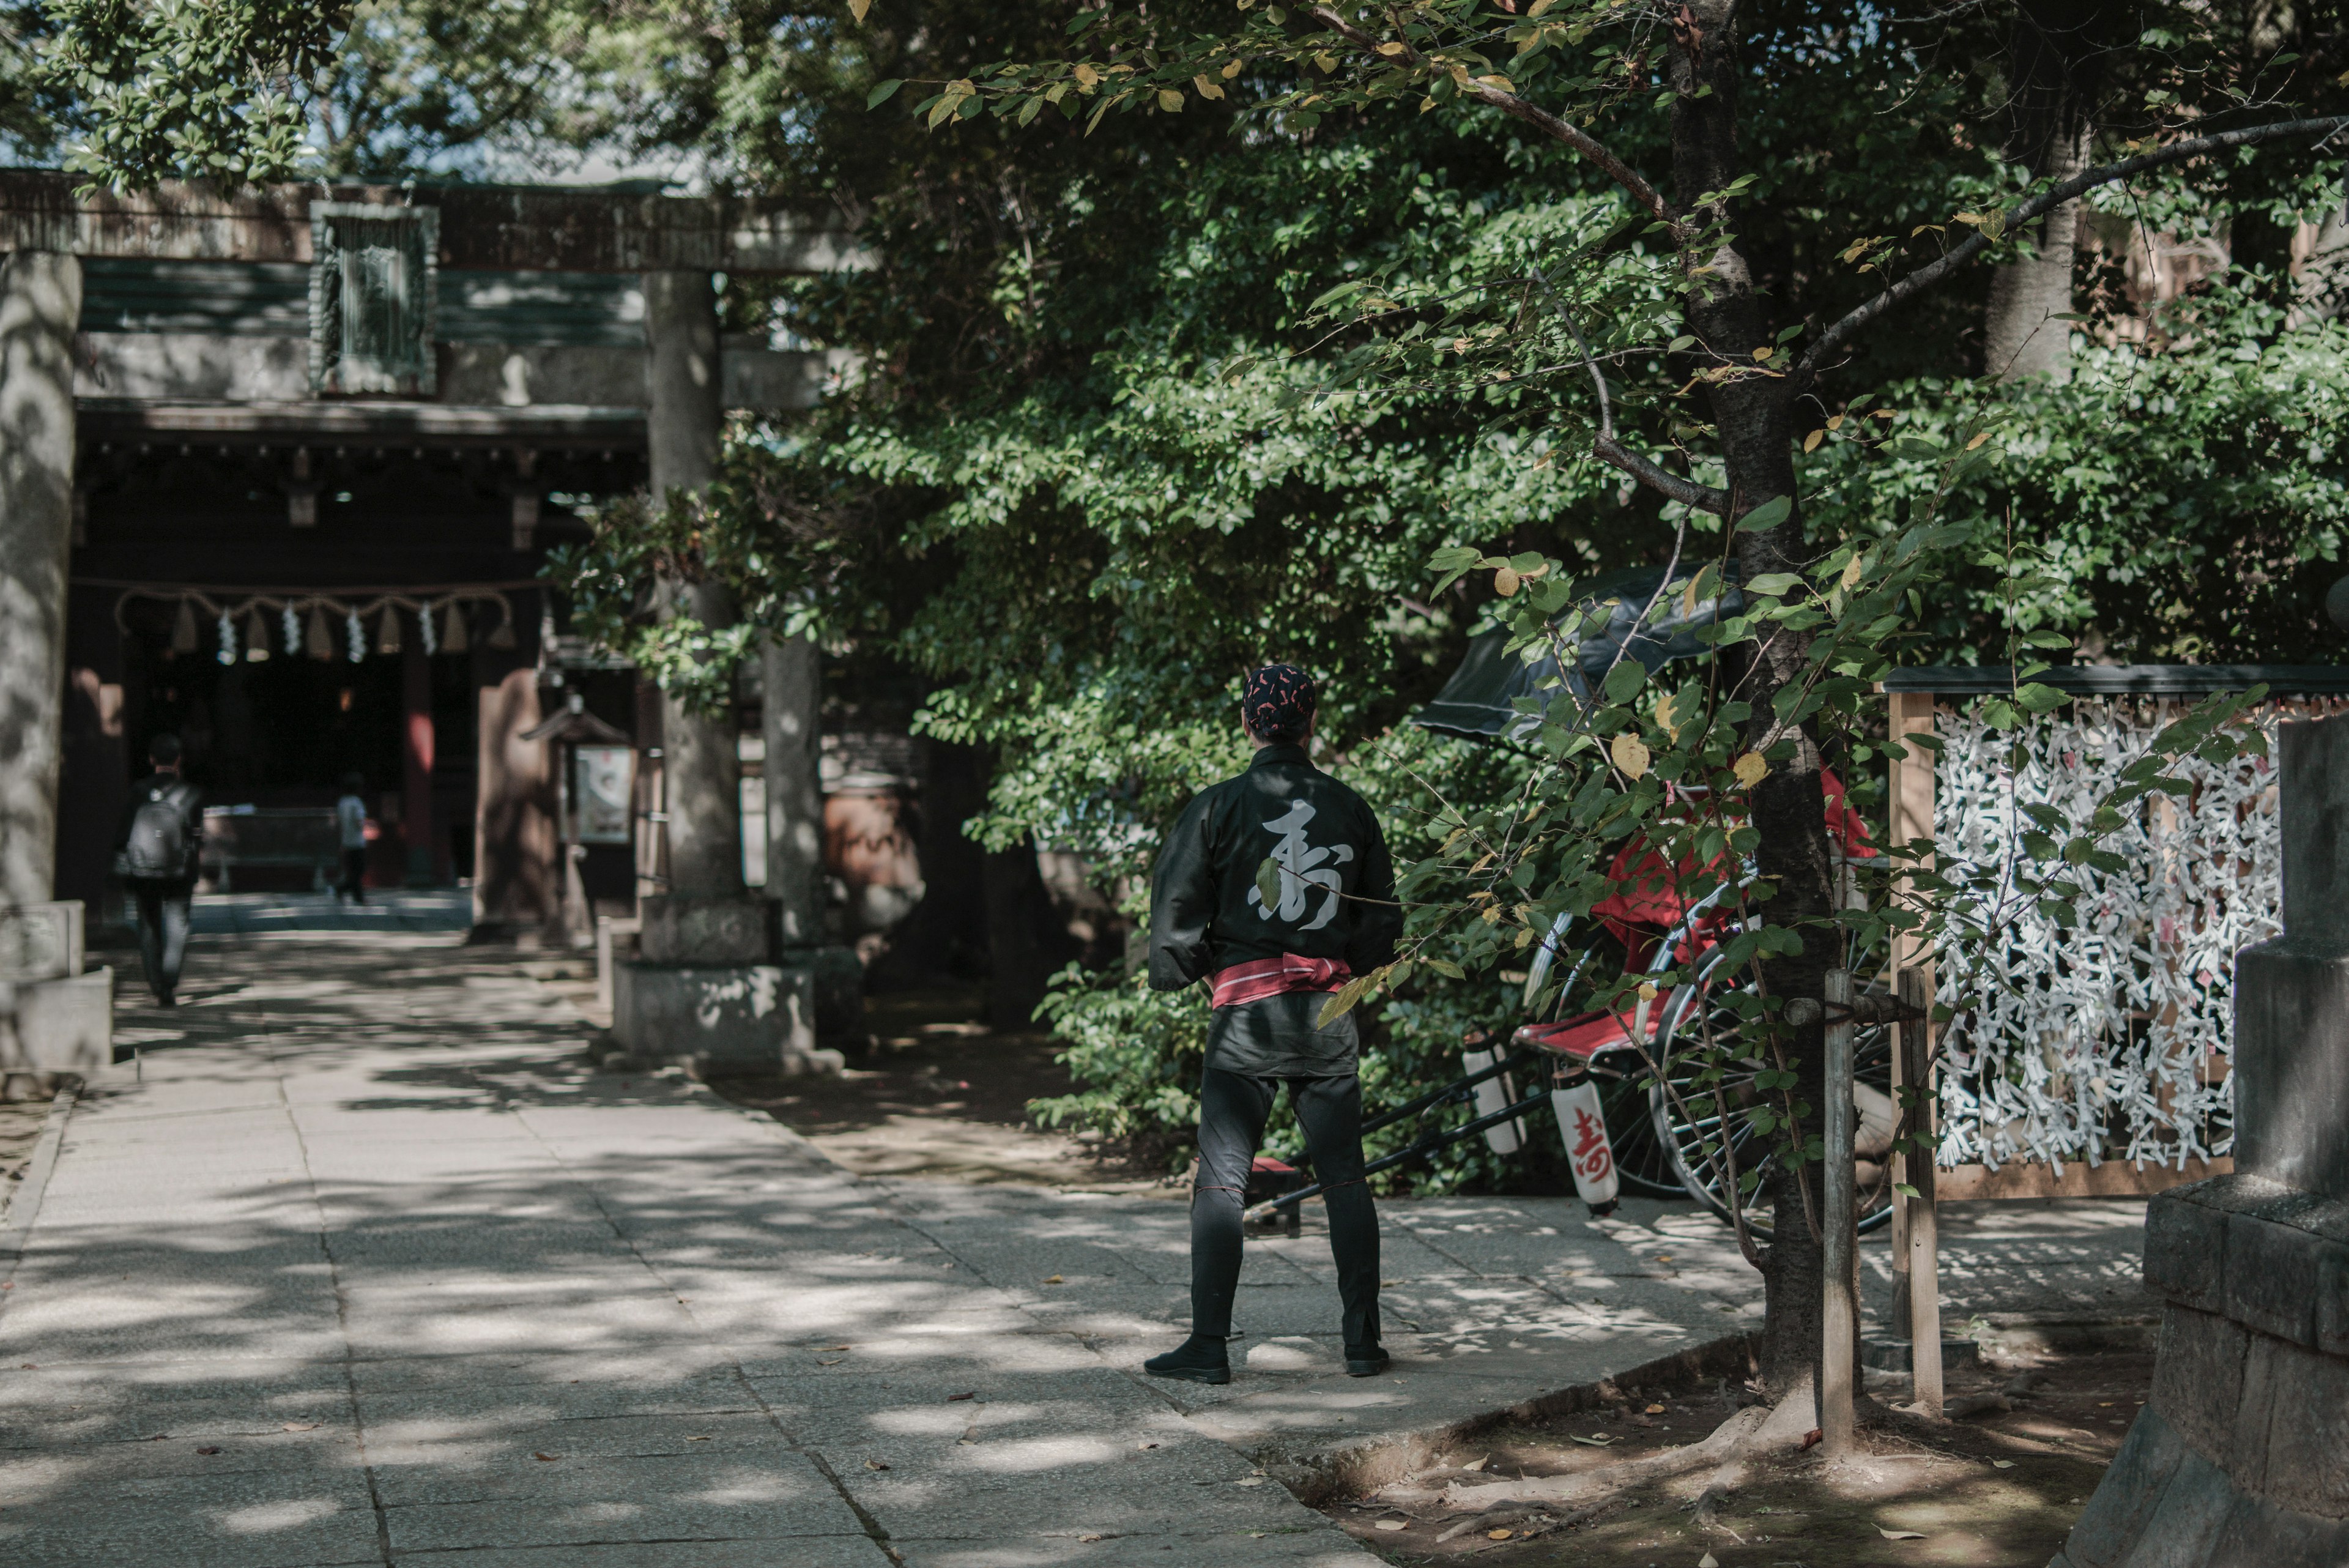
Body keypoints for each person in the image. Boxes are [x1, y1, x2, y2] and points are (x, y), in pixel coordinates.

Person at [1142, 664, 1403, 1386]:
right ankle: (1362, 1344)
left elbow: (1175, 914)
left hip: (1246, 1016)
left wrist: (1199, 968)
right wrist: (1346, 967)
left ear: (1249, 724)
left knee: (1223, 1183)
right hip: (1328, 1013)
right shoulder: (1350, 808)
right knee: (1346, 1178)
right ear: (1311, 723)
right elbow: (1381, 924)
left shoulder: (1217, 807)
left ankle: (1207, 1346)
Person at [115, 734, 203, 1006]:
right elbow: (196, 837)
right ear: (179, 759)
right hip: (180, 870)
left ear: (151, 759)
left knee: (149, 925)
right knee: (178, 926)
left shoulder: (137, 791)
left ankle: (155, 983)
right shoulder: (191, 793)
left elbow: (123, 834)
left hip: (143, 870)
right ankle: (169, 982)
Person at [335, 773, 369, 905]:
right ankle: (344, 890)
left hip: (346, 840)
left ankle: (351, 893)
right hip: (357, 841)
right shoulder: (357, 803)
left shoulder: (342, 802)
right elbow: (359, 822)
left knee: (353, 870)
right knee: (360, 870)